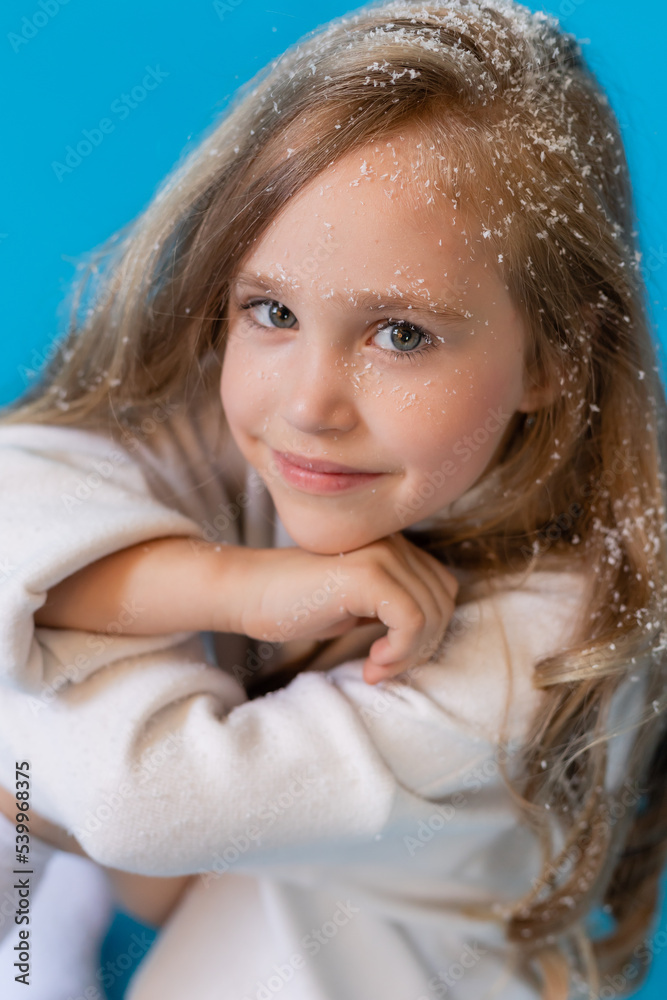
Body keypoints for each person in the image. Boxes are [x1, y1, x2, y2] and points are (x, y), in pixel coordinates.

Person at [0, 0, 665, 997]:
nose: (308, 404)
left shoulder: (553, 637)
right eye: (271, 310)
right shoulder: (270, 445)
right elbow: (25, 475)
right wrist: (231, 587)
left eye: (399, 333)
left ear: (551, 358)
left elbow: (143, 804)